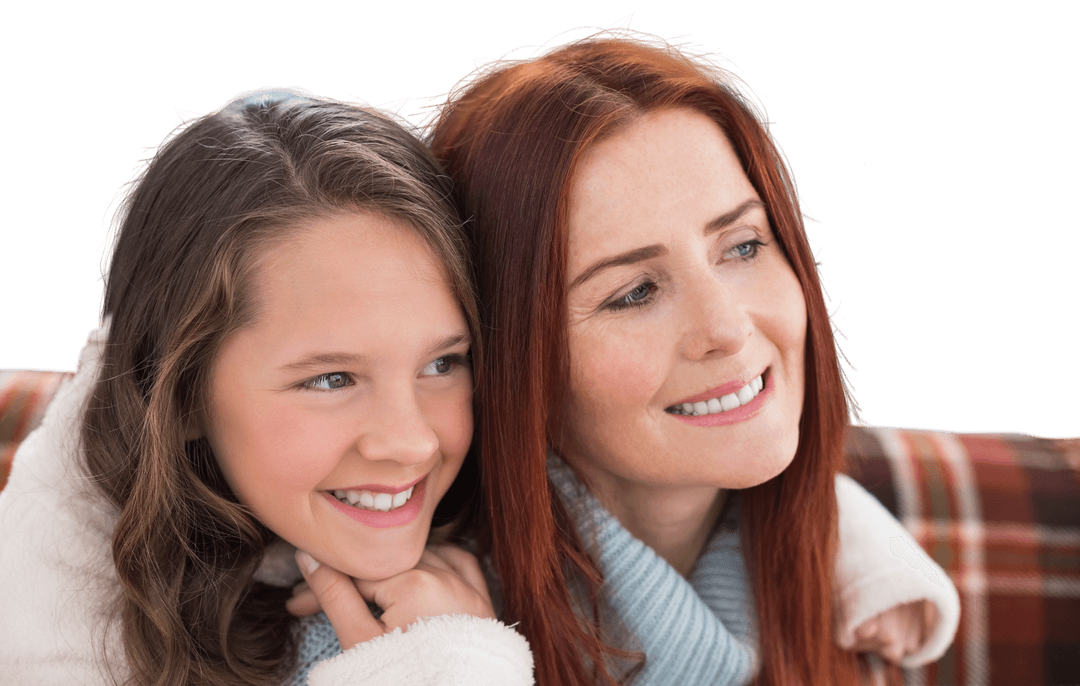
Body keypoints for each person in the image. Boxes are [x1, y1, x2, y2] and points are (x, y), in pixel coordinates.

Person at [425, 27, 961, 685]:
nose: (728, 328)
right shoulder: (413, 639)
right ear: (506, 356)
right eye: (635, 292)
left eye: (742, 247)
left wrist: (843, 534)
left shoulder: (854, 585)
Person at [0, 89, 534, 686]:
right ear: (180, 396)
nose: (412, 444)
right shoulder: (45, 641)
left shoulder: (531, 552)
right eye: (332, 379)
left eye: (441, 364)